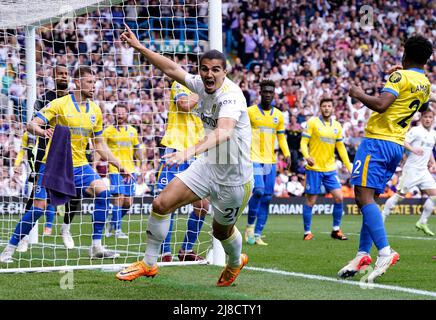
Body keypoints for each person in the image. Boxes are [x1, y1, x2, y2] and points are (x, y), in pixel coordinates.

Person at [116, 25, 252, 287]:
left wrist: (188, 152)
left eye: (216, 69)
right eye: (205, 69)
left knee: (220, 231)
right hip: (208, 166)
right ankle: (149, 263)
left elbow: (223, 132)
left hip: (234, 179)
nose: (209, 74)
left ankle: (235, 263)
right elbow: (171, 69)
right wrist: (140, 47)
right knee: (161, 204)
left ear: (225, 72)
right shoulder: (200, 84)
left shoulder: (232, 97)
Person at [0, 66, 131, 263]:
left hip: (79, 165)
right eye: (89, 82)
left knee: (104, 192)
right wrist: (42, 132)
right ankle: (9, 249)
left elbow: (99, 144)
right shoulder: (60, 104)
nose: (93, 86)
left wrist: (119, 165)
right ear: (77, 82)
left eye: (94, 82)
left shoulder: (95, 110)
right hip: (54, 164)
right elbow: (31, 124)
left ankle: (96, 247)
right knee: (38, 208)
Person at [338, 35, 432, 282]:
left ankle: (384, 252)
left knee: (363, 197)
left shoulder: (399, 76)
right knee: (370, 199)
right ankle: (361, 255)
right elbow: (415, 106)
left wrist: (358, 93)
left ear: (406, 54)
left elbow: (381, 105)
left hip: (378, 142)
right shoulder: (425, 83)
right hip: (396, 146)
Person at [14, 64, 70, 252]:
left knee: (75, 191)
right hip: (44, 152)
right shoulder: (44, 99)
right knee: (36, 196)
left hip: (70, 152)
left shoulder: (74, 100)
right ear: (53, 77)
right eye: (60, 73)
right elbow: (32, 123)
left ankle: (66, 228)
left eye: (66, 73)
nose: (63, 76)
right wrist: (45, 130)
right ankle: (22, 236)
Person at [157, 80, 209, 262]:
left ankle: (186, 249)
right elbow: (185, 105)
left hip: (196, 152)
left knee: (203, 206)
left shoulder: (212, 94)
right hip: (176, 149)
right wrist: (203, 92)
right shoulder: (180, 84)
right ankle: (165, 252)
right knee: (168, 203)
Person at [244, 79, 291, 246]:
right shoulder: (249, 112)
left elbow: (281, 137)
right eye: (265, 91)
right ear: (260, 92)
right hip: (253, 158)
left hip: (270, 161)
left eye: (271, 92)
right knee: (258, 190)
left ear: (274, 94)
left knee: (267, 197)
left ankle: (257, 234)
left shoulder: (278, 115)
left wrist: (286, 153)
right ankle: (249, 226)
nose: (268, 94)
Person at [300, 97, 352, 241]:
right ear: (320, 108)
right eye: (324, 106)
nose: (327, 108)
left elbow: (341, 148)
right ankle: (307, 232)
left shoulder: (337, 126)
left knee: (339, 197)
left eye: (329, 106)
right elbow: (303, 142)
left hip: (330, 169)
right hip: (314, 168)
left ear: (333, 108)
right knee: (311, 201)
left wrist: (349, 167)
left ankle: (336, 230)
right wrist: (306, 156)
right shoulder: (313, 123)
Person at [382, 110, 436, 236]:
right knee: (398, 197)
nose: (428, 119)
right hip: (411, 170)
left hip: (423, 171)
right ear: (421, 118)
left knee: (435, 196)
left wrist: (433, 162)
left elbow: (429, 151)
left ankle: (422, 222)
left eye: (430, 117)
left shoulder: (433, 134)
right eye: (425, 117)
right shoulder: (415, 131)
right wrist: (413, 149)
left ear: (433, 118)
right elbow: (402, 141)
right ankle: (381, 219)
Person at [102, 104, 145, 239]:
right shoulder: (107, 131)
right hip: (115, 170)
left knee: (128, 203)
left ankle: (112, 222)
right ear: (113, 115)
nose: (120, 115)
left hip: (130, 170)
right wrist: (94, 163)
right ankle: (118, 230)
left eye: (122, 113)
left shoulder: (132, 131)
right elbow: (100, 148)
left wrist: (142, 163)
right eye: (118, 113)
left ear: (127, 114)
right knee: (119, 199)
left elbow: (137, 148)